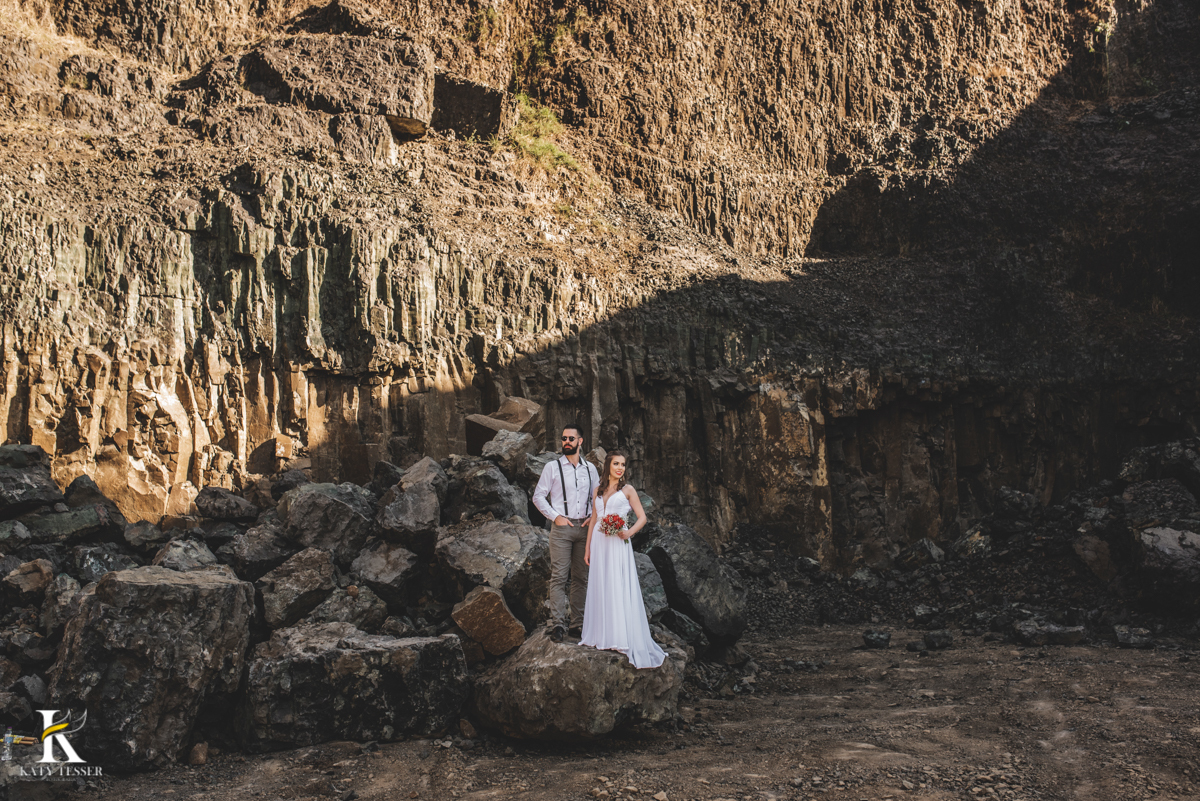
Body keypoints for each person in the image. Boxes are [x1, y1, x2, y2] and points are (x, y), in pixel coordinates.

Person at [580, 450, 667, 669]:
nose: (620, 468)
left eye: (623, 464)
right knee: (601, 584)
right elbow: (594, 520)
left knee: (617, 584)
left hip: (618, 543)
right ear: (608, 466)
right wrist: (587, 548)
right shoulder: (598, 490)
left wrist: (628, 533)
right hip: (599, 542)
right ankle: (600, 634)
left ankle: (619, 636)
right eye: (616, 464)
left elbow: (642, 517)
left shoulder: (627, 490)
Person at [532, 423, 601, 643]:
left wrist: (593, 516)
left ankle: (577, 625)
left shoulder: (591, 469)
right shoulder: (552, 467)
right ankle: (558, 625)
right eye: (564, 439)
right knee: (559, 577)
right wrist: (555, 517)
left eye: (571, 438)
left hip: (584, 528)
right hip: (562, 528)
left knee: (581, 577)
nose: (567, 442)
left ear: (580, 441)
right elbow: (538, 496)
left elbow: (598, 497)